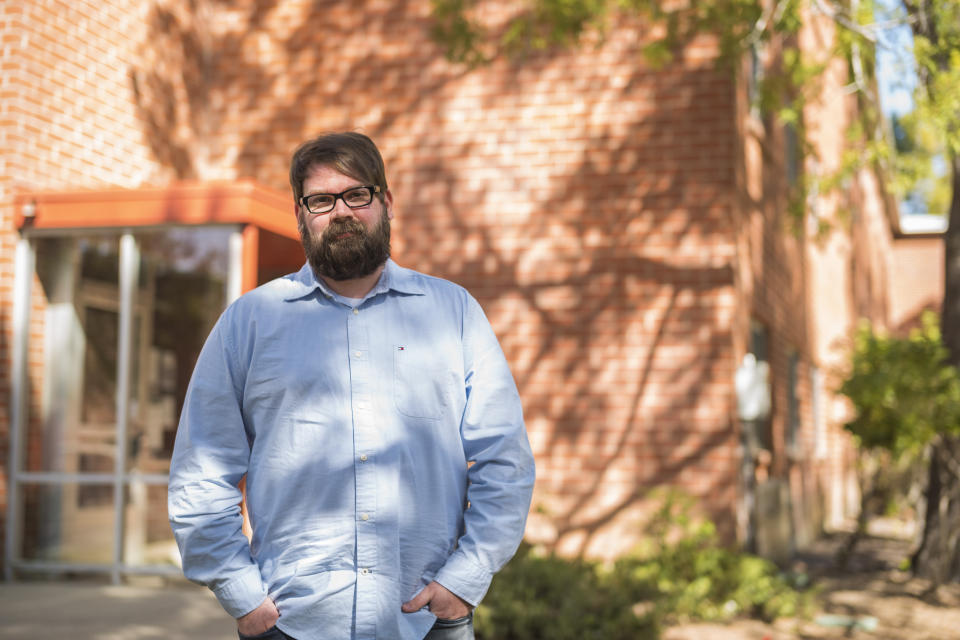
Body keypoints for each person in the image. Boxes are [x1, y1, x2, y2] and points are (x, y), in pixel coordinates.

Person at [168, 131, 536, 640]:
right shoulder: (248, 323)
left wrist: (465, 579)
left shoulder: (454, 314)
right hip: (291, 625)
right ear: (301, 214)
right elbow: (201, 472)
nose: (340, 211)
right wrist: (242, 596)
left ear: (385, 201)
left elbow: (505, 460)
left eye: (356, 194)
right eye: (320, 199)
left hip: (429, 621)